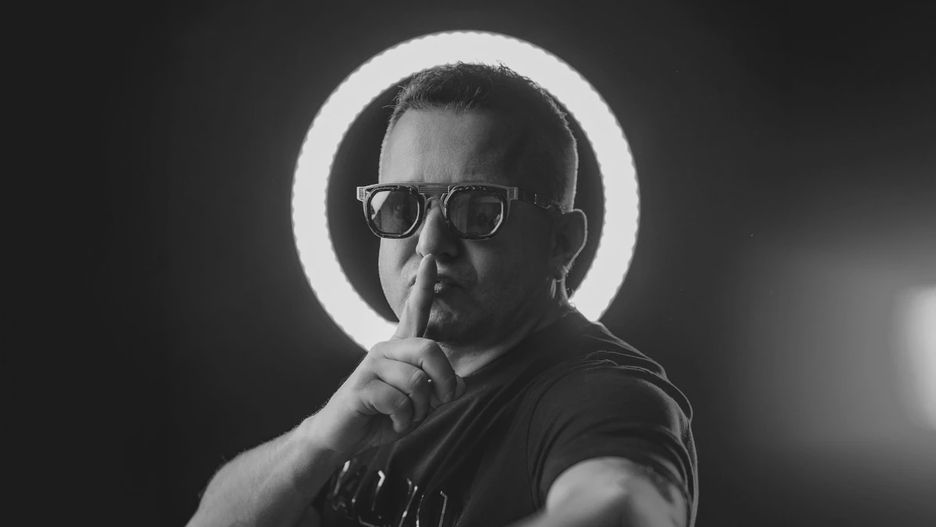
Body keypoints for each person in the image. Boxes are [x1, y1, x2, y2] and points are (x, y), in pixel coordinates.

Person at [188, 63, 697, 527]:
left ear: (561, 242)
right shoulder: (379, 391)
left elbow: (624, 507)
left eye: (478, 211)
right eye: (400, 206)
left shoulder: (600, 393)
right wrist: (319, 438)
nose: (430, 242)